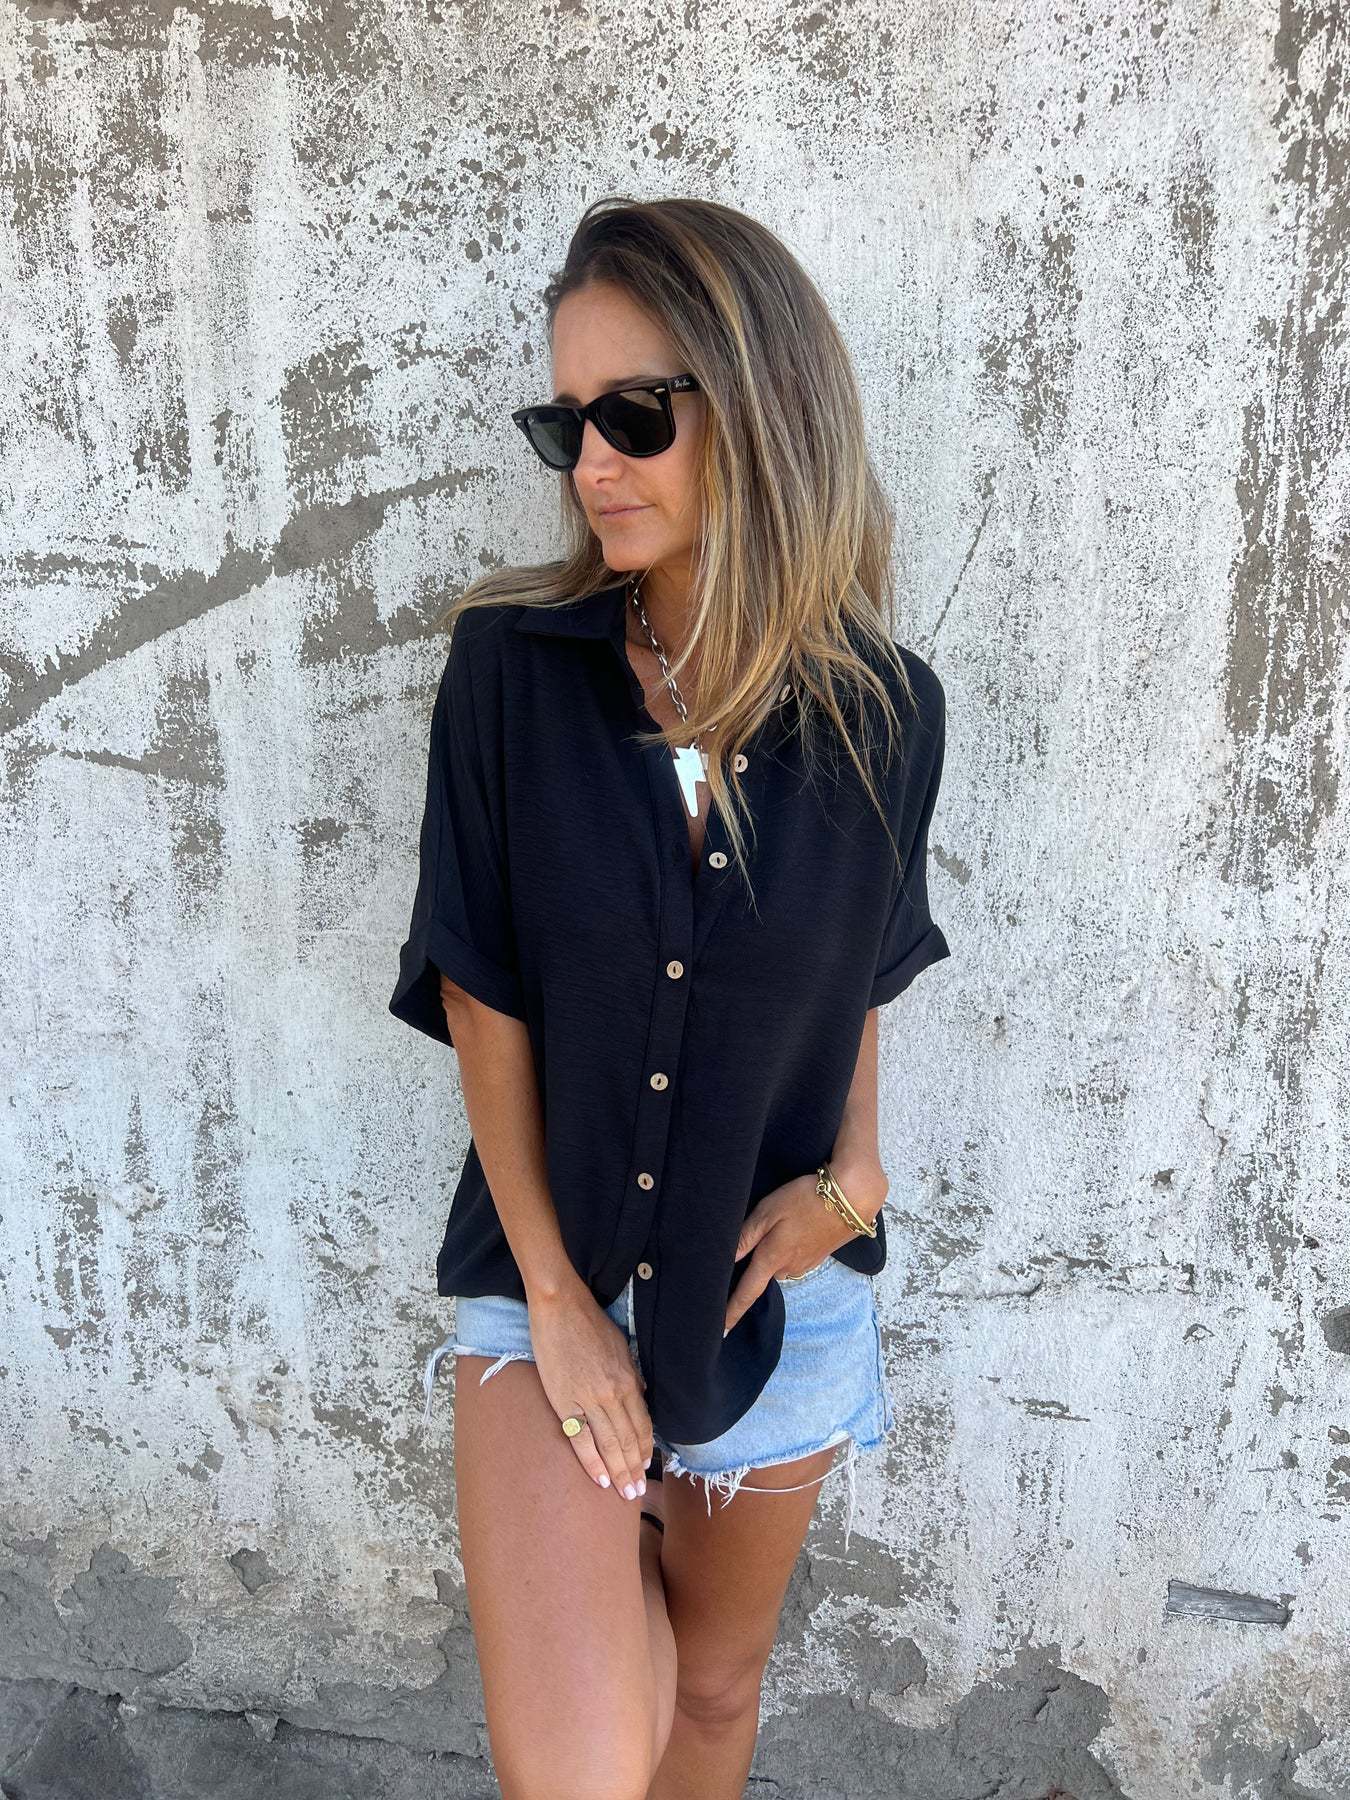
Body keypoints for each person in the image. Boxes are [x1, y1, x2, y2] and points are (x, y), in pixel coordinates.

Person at [389, 194, 951, 1800]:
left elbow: (855, 974)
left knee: (710, 1695)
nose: (590, 462)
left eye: (632, 415)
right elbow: (480, 989)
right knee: (579, 1772)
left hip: (773, 1293)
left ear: (761, 405)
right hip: (546, 1279)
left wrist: (856, 1176)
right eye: (564, 423)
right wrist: (560, 1307)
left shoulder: (885, 714)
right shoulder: (510, 669)